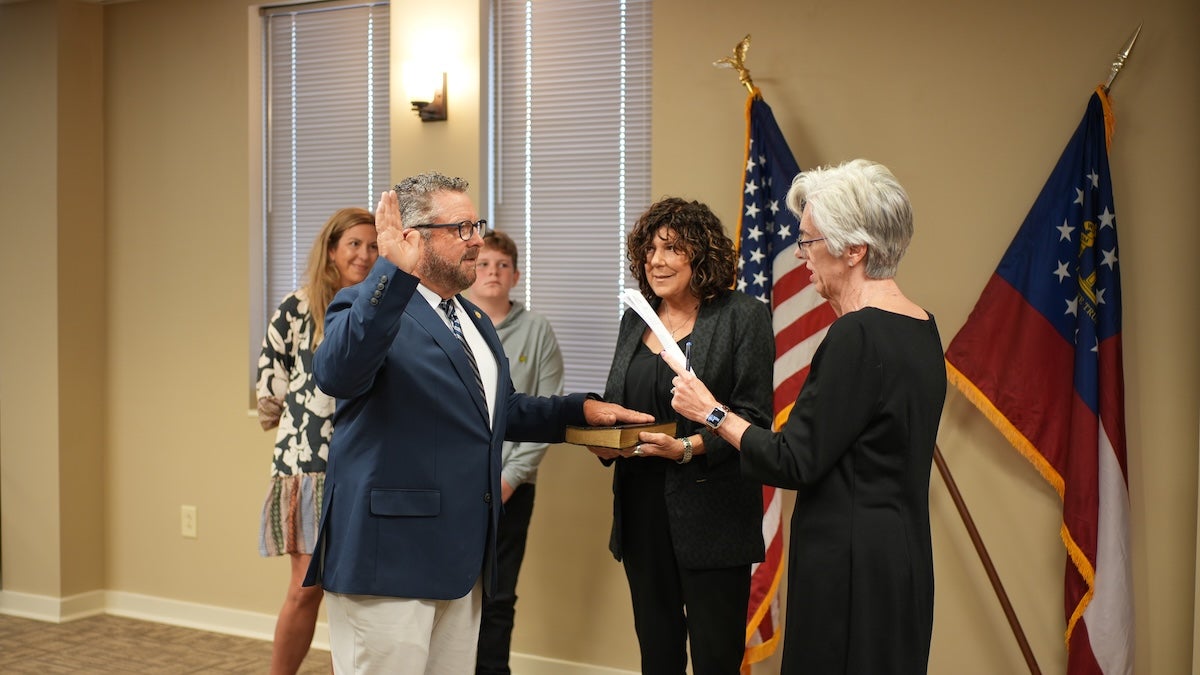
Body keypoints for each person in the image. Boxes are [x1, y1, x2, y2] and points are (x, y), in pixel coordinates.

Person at [305, 172, 653, 675]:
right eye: (462, 229)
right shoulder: (366, 303)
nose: (477, 241)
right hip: (388, 560)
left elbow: (499, 410)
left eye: (478, 225)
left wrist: (579, 412)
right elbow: (338, 371)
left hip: (461, 559)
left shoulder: (473, 320)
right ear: (412, 236)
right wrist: (391, 273)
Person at [664, 159, 947, 674]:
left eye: (810, 242)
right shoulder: (922, 328)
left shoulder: (856, 334)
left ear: (855, 249)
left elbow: (794, 460)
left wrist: (712, 412)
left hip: (848, 563)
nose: (803, 257)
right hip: (902, 557)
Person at [591, 197, 774, 675]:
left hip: (712, 514)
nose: (656, 260)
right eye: (650, 249)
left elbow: (754, 416)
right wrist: (602, 436)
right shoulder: (637, 316)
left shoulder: (742, 316)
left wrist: (688, 448)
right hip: (641, 511)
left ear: (702, 255)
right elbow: (617, 398)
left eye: (672, 248)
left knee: (716, 659)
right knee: (658, 656)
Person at [255, 206, 379, 675]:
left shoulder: (383, 309)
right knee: (305, 587)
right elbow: (270, 394)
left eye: (373, 246)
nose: (365, 255)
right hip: (308, 464)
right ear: (331, 251)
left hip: (366, 465)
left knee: (357, 591)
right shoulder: (296, 308)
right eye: (354, 244)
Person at [464, 230, 565, 675]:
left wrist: (507, 480)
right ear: (470, 272)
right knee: (453, 593)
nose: (492, 273)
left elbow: (545, 414)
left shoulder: (537, 330)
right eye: (483, 264)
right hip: (457, 487)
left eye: (502, 266)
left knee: (498, 595)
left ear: (516, 276)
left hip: (511, 489)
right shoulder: (456, 325)